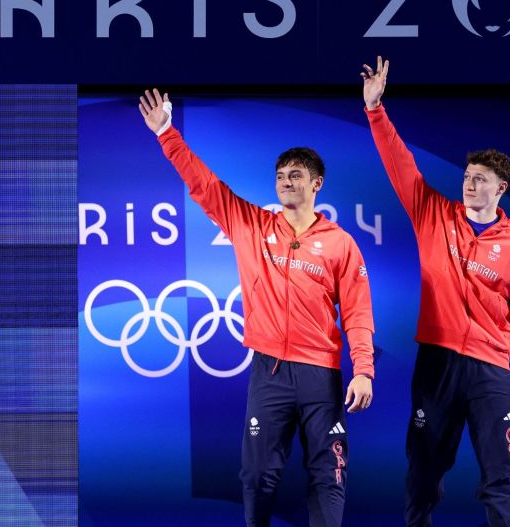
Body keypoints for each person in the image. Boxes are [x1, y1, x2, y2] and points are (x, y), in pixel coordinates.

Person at [138, 89, 376, 527]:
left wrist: (363, 370)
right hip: (269, 373)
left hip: (320, 374)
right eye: (281, 175)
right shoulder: (251, 225)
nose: (286, 181)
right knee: (257, 475)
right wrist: (166, 134)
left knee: (329, 475)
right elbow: (205, 185)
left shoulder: (341, 244)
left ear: (316, 184)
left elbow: (359, 313)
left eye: (296, 175)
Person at [358, 58, 510, 527]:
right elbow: (401, 166)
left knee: (500, 478)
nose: (469, 183)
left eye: (480, 179)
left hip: (491, 373)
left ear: (501, 189)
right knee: (422, 473)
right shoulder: (433, 214)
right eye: (466, 176)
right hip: (437, 364)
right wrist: (376, 109)